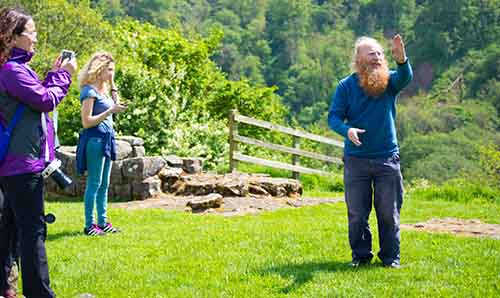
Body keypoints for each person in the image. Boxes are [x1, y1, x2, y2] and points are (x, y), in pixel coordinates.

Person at [0, 7, 77, 298]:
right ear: (13, 36)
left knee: (8, 228)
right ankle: (40, 294)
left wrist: (55, 74)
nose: (36, 38)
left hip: (15, 163)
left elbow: (35, 97)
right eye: (31, 32)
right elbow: (45, 100)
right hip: (23, 165)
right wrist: (65, 76)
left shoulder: (15, 69)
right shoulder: (11, 70)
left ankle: (5, 287)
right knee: (33, 231)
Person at [328, 34, 413, 269]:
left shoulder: (389, 82)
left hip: (387, 158)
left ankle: (390, 258)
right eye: (372, 53)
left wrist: (402, 60)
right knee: (357, 214)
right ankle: (361, 256)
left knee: (388, 213)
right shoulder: (346, 86)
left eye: (380, 53)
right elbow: (333, 117)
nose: (377, 57)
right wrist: (347, 130)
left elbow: (405, 77)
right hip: (356, 161)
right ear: (359, 59)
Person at [76, 51, 126, 236]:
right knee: (94, 183)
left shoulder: (104, 89)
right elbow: (86, 121)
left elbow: (116, 105)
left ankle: (103, 222)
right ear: (100, 69)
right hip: (95, 140)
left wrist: (112, 84)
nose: (112, 73)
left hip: (107, 139)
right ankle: (89, 225)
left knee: (105, 184)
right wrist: (109, 111)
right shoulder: (88, 91)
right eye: (110, 70)